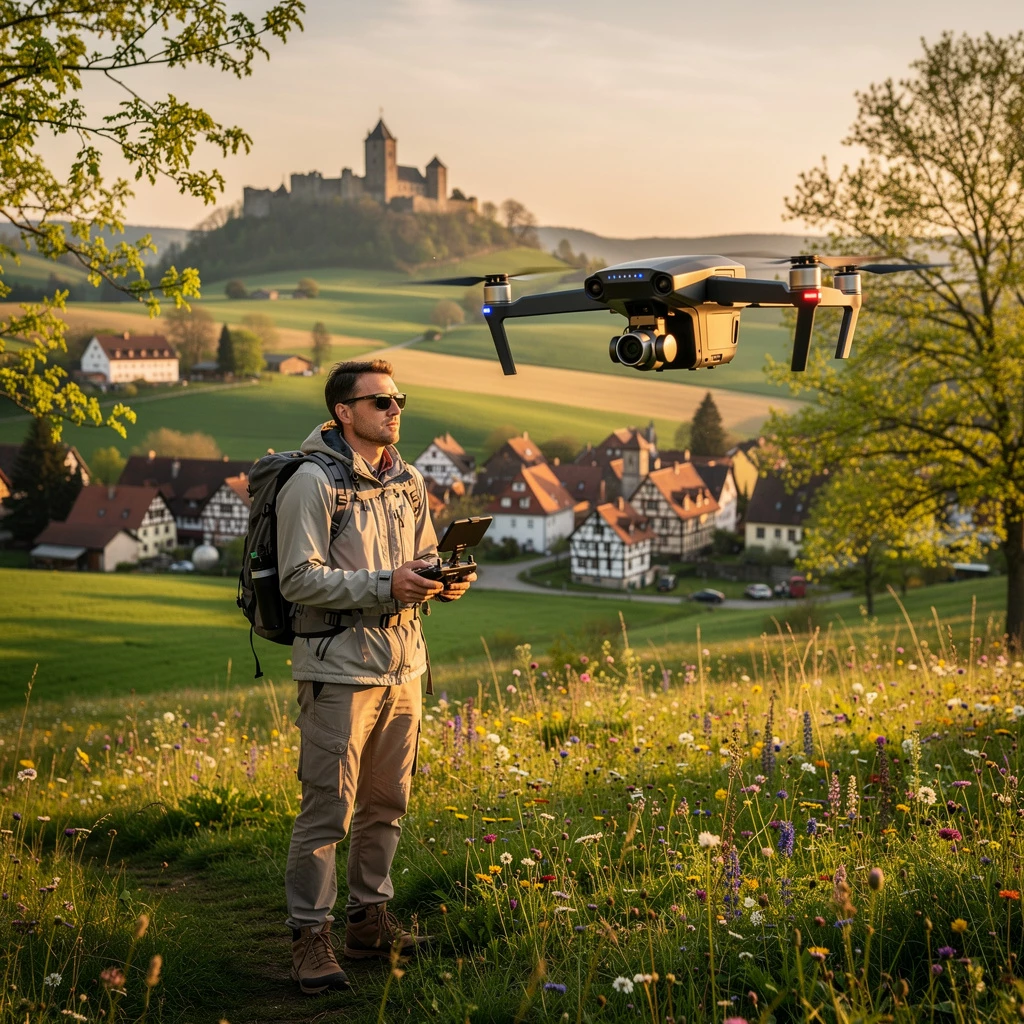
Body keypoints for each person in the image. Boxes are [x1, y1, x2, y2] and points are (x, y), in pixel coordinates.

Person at [276, 358, 475, 995]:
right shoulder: (312, 483)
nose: (395, 411)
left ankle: (368, 919)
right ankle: (310, 938)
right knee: (327, 809)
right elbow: (298, 578)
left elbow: (418, 559)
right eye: (381, 402)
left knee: (386, 804)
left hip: (404, 666)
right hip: (338, 671)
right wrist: (387, 583)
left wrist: (442, 579)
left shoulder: (408, 479)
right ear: (344, 412)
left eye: (399, 400)